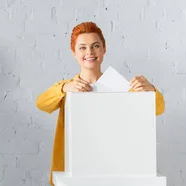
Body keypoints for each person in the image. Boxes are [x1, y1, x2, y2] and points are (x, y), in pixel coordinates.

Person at [36, 21, 165, 185]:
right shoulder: (67, 88)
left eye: (95, 46)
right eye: (82, 47)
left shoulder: (123, 88)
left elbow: (159, 109)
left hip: (113, 170)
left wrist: (151, 90)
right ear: (74, 52)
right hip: (74, 172)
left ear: (104, 49)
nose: (89, 52)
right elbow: (41, 103)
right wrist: (63, 88)